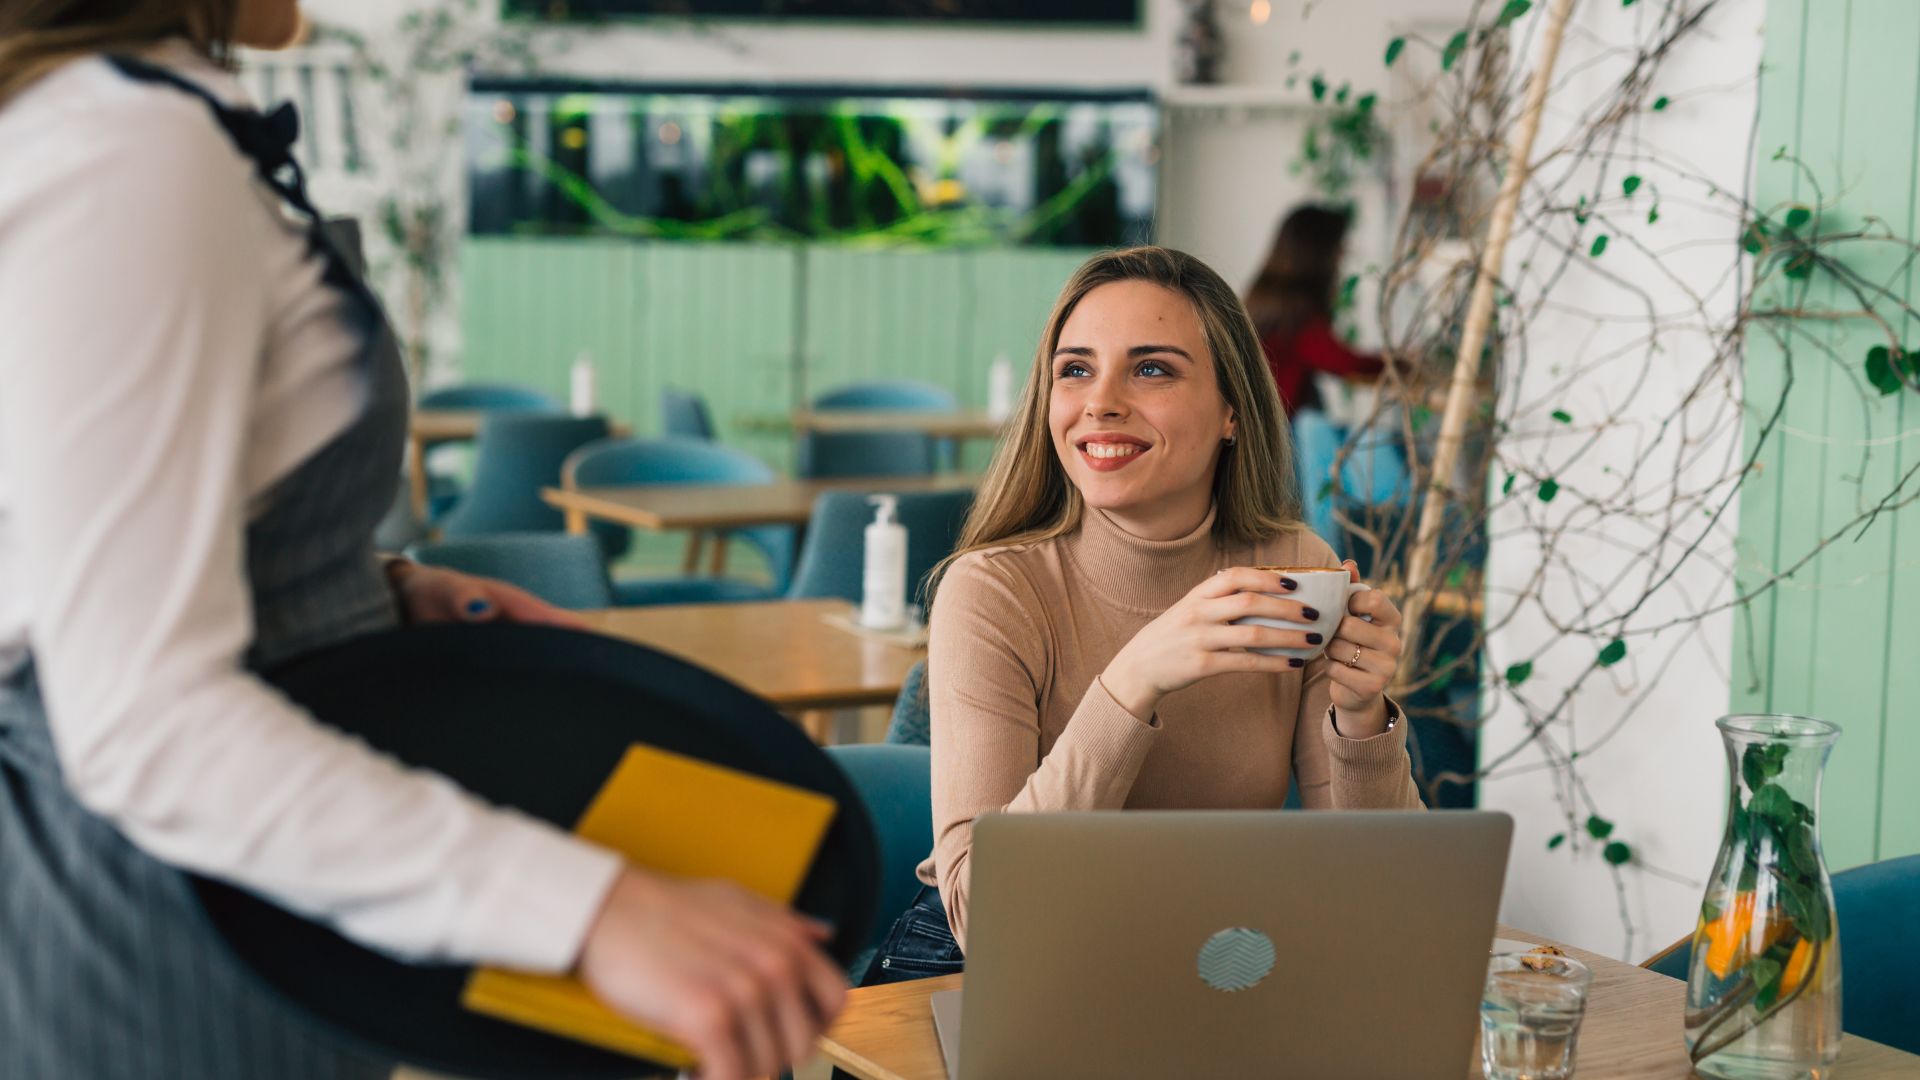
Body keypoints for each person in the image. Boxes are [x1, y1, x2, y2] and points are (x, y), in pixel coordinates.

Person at [0, 5, 842, 1078]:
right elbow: (140, 722)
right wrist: (594, 908)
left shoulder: (131, 124)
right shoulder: (126, 149)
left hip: (253, 903)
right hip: (151, 931)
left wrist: (365, 591)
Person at [856, 246, 1425, 985]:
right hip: (991, 968)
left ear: (1231, 411)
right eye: (1075, 369)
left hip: (1201, 957)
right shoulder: (993, 591)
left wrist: (1360, 715)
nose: (1101, 402)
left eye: (1152, 368)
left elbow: (1383, 892)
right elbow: (989, 915)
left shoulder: (1292, 566)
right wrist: (1133, 681)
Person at [1243, 204, 1386, 417]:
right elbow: (1343, 362)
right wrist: (1395, 363)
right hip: (1275, 435)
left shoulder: (1263, 298)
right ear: (1319, 254)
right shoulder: (1295, 310)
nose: (1342, 257)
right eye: (1339, 249)